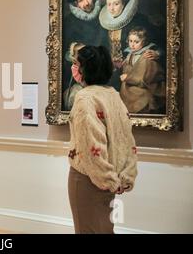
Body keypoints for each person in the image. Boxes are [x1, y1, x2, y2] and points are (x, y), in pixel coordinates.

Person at [67, 45, 138, 234]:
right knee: (105, 229)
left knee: (87, 230)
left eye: (76, 64)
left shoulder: (85, 98)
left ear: (85, 68)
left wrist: (107, 179)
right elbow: (126, 140)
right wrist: (122, 177)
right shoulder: (113, 94)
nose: (74, 68)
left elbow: (91, 146)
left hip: (88, 177)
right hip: (108, 176)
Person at [98, 0, 162, 90]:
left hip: (132, 68)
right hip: (111, 68)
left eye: (116, 4)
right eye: (109, 4)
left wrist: (158, 53)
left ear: (124, 3)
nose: (111, 8)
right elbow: (101, 45)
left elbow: (159, 39)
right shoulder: (105, 24)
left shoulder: (139, 20)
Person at [62, 0, 102, 96]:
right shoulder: (69, 22)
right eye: (81, 0)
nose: (86, 3)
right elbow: (67, 51)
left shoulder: (104, 12)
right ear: (76, 4)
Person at [120, 27, 166, 114]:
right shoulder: (130, 54)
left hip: (144, 87)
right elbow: (128, 68)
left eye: (136, 42)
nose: (132, 45)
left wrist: (128, 77)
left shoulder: (147, 55)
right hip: (131, 86)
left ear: (144, 41)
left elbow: (145, 76)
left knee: (143, 97)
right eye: (130, 41)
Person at [63, 41, 85, 110]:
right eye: (79, 54)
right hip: (81, 84)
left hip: (90, 83)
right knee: (74, 95)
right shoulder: (74, 67)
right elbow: (79, 80)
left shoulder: (87, 63)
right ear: (74, 57)